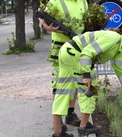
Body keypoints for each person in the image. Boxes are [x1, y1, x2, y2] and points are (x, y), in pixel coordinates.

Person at [53, 22, 122, 137]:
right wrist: (86, 75)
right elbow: (86, 53)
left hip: (67, 51)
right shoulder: (114, 38)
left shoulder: (119, 47)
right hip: (77, 55)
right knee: (90, 91)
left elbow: (119, 70)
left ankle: (58, 132)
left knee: (63, 91)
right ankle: (83, 128)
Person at [39, 0, 87, 133]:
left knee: (76, 79)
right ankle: (58, 118)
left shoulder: (84, 2)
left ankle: (70, 114)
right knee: (59, 83)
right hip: (60, 47)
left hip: (77, 46)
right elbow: (42, 17)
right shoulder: (56, 1)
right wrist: (47, 27)